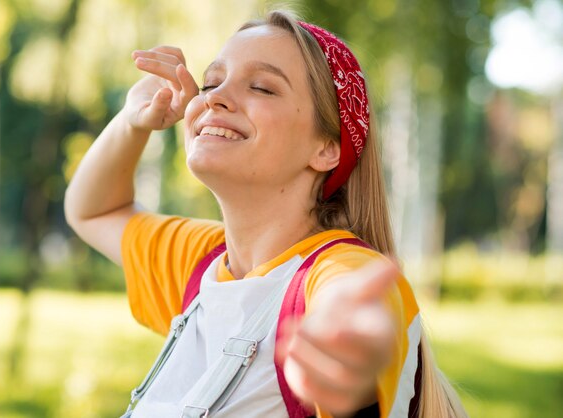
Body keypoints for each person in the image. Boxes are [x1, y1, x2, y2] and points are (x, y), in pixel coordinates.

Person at [64, 9, 467, 418]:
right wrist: (132, 122)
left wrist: (351, 356)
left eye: (262, 87)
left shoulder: (341, 270)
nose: (213, 97)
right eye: (211, 81)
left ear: (327, 148)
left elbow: (354, 312)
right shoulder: (201, 263)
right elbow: (94, 211)